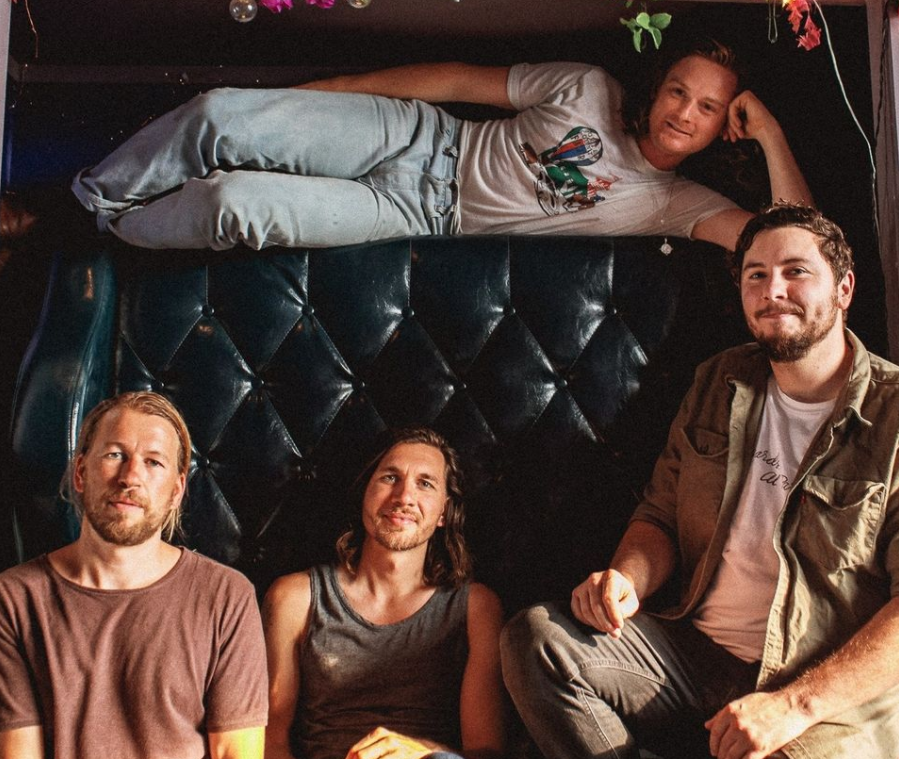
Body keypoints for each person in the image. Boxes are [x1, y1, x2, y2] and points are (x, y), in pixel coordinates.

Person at [501, 203, 899, 759]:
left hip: (818, 695)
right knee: (538, 640)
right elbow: (660, 515)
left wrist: (793, 707)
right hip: (694, 654)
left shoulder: (892, 413)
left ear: (844, 289)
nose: (772, 290)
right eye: (756, 275)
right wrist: (626, 579)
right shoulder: (720, 378)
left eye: (795, 271)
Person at [59, 38, 809, 253]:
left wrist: (771, 133)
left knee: (234, 204)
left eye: (707, 107)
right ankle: (86, 200)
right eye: (678, 90)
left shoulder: (675, 204)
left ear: (723, 127)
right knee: (222, 113)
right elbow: (456, 78)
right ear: (658, 85)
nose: (683, 112)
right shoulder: (589, 87)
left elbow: (797, 243)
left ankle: (105, 228)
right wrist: (325, 95)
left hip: (415, 214)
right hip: (421, 135)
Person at [0, 392, 268, 759]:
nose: (130, 478)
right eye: (114, 455)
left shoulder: (226, 596)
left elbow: (235, 754)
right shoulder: (14, 598)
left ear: (176, 491)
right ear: (80, 472)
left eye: (153, 462)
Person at [263, 427, 505, 759]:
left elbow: (487, 752)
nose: (404, 497)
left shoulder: (476, 607)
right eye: (390, 478)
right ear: (365, 491)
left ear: (444, 512)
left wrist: (420, 751)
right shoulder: (295, 598)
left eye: (425, 484)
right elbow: (269, 740)